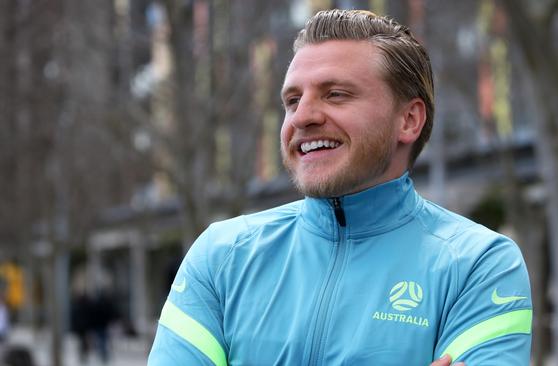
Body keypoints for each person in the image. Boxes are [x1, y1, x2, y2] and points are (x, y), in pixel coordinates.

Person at [148, 9, 532, 366]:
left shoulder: (480, 266)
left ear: (409, 120)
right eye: (292, 100)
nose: (303, 116)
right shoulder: (222, 257)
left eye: (335, 94)